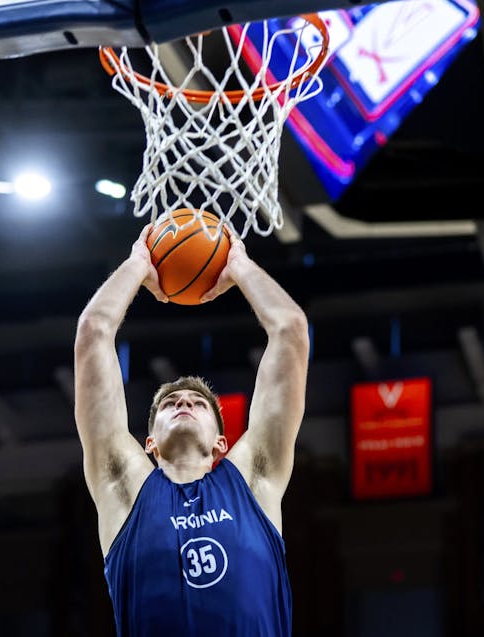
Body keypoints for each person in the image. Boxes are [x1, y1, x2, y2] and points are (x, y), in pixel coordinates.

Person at [73, 223, 309, 637]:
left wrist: (239, 265)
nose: (183, 402)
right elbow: (94, 332)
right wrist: (136, 265)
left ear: (222, 442)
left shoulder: (254, 478)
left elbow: (290, 330)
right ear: (150, 444)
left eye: (198, 404)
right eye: (169, 404)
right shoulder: (124, 489)